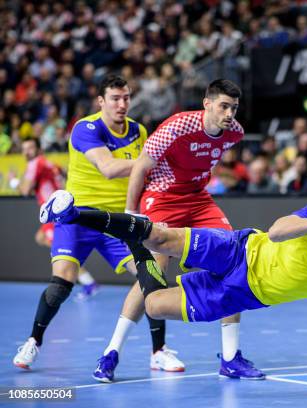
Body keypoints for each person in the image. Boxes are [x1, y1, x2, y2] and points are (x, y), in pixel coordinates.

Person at [39, 182, 307, 338]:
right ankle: (72, 213)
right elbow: (279, 229)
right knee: (161, 234)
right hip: (241, 249)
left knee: (152, 304)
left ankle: (139, 250)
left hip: (242, 294)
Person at [13, 75, 185, 382]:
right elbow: (108, 169)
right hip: (78, 216)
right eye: (115, 99)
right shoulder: (85, 128)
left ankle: (158, 352)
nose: (122, 104)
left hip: (118, 220)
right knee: (62, 282)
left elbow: (142, 175)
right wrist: (161, 158)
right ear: (101, 102)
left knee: (152, 276)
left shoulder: (139, 130)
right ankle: (33, 342)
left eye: (126, 98)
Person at [122, 79, 263, 380]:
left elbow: (207, 157)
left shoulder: (234, 133)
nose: (229, 113)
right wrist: (130, 217)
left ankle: (230, 358)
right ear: (207, 103)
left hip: (198, 199)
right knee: (155, 271)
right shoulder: (177, 126)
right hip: (161, 196)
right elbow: (141, 168)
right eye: (224, 106)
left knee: (235, 261)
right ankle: (112, 352)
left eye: (234, 108)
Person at [19, 137, 100, 301]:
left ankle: (88, 283)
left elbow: (25, 190)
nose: (27, 151)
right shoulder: (51, 164)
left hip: (54, 214)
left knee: (61, 253)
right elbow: (63, 175)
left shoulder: (35, 163)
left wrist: (15, 181)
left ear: (38, 149)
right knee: (41, 238)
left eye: (30, 148)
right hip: (59, 210)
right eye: (24, 148)